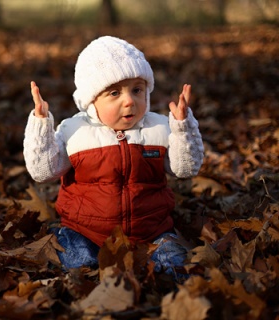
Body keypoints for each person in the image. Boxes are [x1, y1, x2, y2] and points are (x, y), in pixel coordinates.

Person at [23, 36, 204, 277]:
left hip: (151, 232)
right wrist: (41, 125)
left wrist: (183, 128)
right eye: (115, 93)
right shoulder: (75, 132)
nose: (129, 101)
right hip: (87, 231)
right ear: (91, 101)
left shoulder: (158, 129)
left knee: (177, 266)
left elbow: (185, 169)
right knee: (81, 266)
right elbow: (42, 171)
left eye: (137, 90)